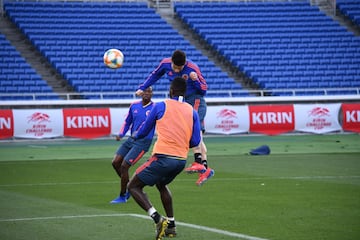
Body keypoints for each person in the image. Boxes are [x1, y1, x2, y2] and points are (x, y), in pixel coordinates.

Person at [128, 77, 202, 240]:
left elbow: (144, 129)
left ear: (171, 91)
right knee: (161, 184)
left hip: (163, 157)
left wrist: (135, 135)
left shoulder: (161, 105)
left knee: (133, 186)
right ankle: (172, 226)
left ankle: (157, 218)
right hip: (180, 160)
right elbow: (196, 141)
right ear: (185, 92)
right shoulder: (192, 111)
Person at [135, 49, 214, 186]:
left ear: (185, 64)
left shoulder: (192, 68)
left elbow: (204, 89)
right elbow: (155, 75)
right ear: (171, 62)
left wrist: (195, 80)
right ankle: (205, 169)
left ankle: (199, 163)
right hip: (181, 102)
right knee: (197, 135)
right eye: (175, 68)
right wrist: (143, 87)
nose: (177, 71)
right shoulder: (165, 64)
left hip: (194, 100)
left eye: (180, 68)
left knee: (195, 132)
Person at [110, 87, 155, 204]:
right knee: (115, 162)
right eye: (145, 91)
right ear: (141, 93)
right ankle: (130, 185)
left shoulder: (155, 108)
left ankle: (123, 195)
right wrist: (121, 134)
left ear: (152, 94)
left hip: (143, 142)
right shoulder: (134, 106)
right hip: (131, 140)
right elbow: (127, 122)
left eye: (149, 91)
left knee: (124, 166)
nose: (147, 93)